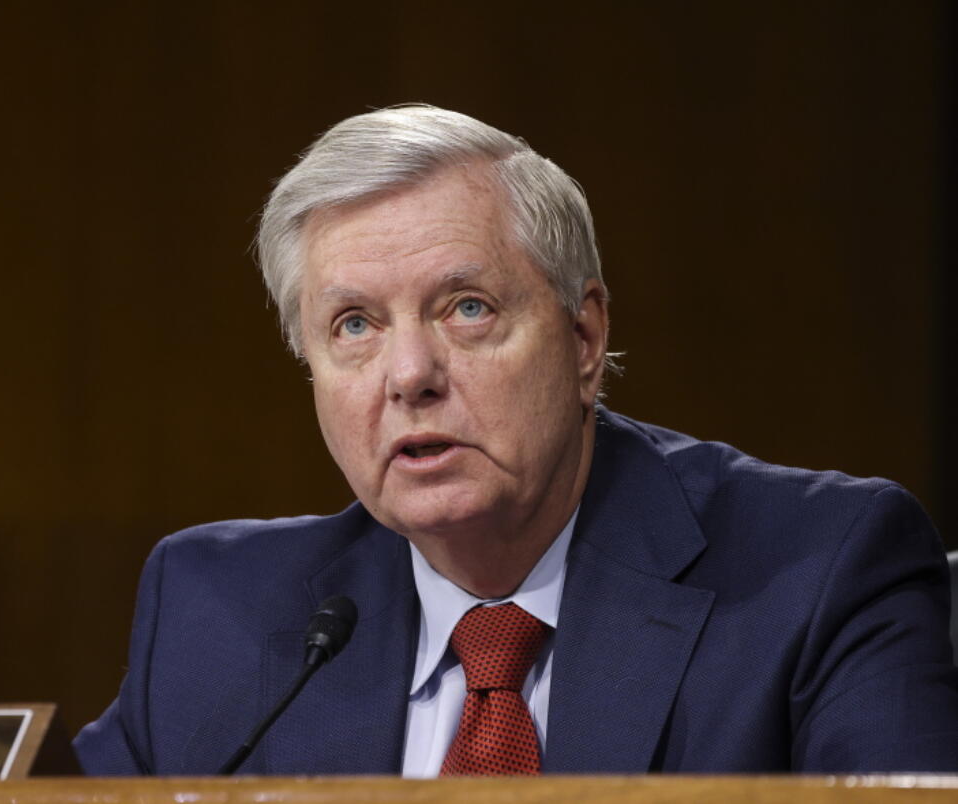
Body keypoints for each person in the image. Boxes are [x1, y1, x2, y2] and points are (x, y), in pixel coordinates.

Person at [74, 105, 958, 775]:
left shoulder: (821, 572)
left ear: (583, 338)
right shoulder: (218, 615)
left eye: (467, 308)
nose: (408, 373)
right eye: (353, 325)